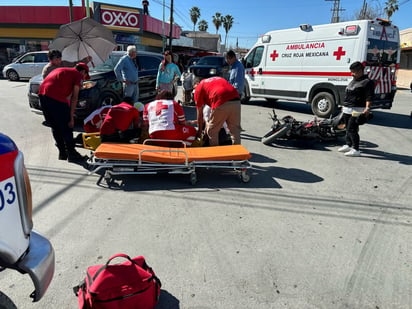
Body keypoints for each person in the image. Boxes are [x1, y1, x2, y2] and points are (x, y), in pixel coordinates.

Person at [38, 63, 90, 162]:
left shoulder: (62, 70)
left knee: (55, 126)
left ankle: (62, 152)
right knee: (67, 126)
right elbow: (75, 97)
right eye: (84, 76)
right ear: (83, 71)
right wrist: (71, 118)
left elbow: (66, 96)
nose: (83, 79)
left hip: (42, 95)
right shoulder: (77, 75)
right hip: (55, 97)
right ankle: (72, 154)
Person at [338, 61, 374, 157]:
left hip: (357, 109)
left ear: (360, 71)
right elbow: (348, 94)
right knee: (347, 127)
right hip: (347, 108)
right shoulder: (354, 80)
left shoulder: (367, 82)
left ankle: (356, 149)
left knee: (352, 128)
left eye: (353, 72)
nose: (352, 74)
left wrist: (367, 108)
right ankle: (348, 144)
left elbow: (369, 97)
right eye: (351, 71)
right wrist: (343, 106)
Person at [193, 76, 241, 146]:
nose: (194, 90)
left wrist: (199, 132)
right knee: (234, 130)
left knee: (212, 131)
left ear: (196, 83)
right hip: (236, 99)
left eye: (194, 88)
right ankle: (238, 153)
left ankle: (215, 153)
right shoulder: (215, 80)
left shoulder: (199, 87)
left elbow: (200, 114)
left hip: (220, 100)